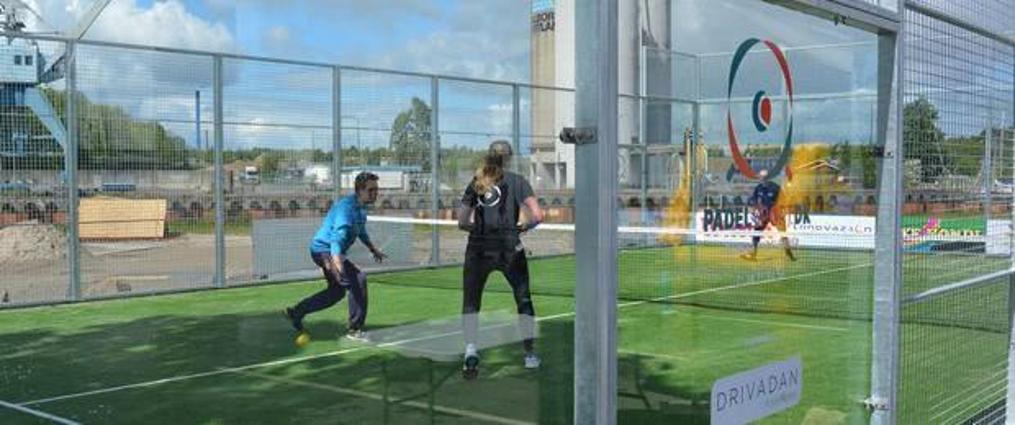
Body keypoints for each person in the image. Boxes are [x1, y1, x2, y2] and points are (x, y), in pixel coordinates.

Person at [457, 140, 544, 379]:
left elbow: (462, 221)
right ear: (510, 158)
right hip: (509, 249)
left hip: (478, 250)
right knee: (523, 299)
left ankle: (470, 350)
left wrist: (479, 230)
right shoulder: (518, 181)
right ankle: (529, 355)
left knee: (471, 302)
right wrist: (523, 226)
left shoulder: (476, 181)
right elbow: (538, 215)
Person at [284, 172, 387, 344]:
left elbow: (360, 231)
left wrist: (373, 249)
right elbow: (336, 241)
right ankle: (355, 329)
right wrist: (338, 264)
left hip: (330, 251)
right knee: (358, 279)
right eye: (371, 190)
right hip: (325, 250)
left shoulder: (361, 209)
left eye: (376, 190)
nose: (375, 193)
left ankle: (296, 312)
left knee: (336, 292)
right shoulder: (346, 210)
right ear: (359, 190)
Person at [742, 169, 796, 261]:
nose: (761, 179)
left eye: (763, 177)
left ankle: (789, 254)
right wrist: (754, 211)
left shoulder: (775, 187)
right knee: (756, 232)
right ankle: (753, 253)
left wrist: (782, 211)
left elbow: (784, 199)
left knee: (783, 233)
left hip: (775, 213)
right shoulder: (758, 188)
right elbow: (754, 200)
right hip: (764, 214)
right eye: (760, 177)